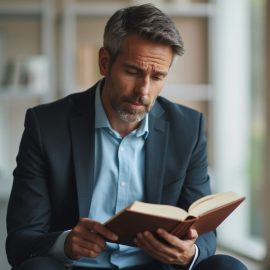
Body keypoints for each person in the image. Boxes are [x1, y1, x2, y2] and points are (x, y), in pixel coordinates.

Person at [6, 4, 247, 270]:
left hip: (155, 267)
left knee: (228, 266)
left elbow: (204, 233)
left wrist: (188, 253)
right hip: (75, 267)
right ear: (105, 62)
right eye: (133, 71)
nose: (144, 91)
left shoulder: (187, 127)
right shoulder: (47, 125)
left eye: (157, 77)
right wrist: (66, 243)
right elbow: (21, 241)